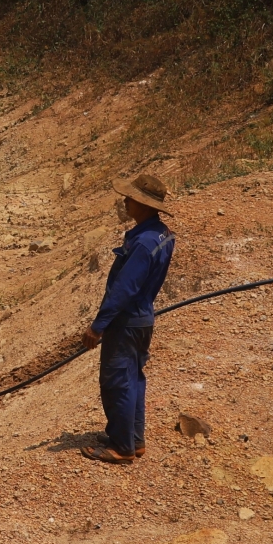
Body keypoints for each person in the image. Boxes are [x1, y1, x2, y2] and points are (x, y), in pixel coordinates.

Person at [78, 172, 176, 464]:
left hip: (126, 321)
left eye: (131, 198)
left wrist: (98, 327)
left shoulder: (143, 243)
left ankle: (122, 447)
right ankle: (134, 438)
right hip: (143, 319)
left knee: (117, 381)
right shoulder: (161, 235)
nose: (126, 202)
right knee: (134, 378)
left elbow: (124, 289)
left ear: (143, 204)